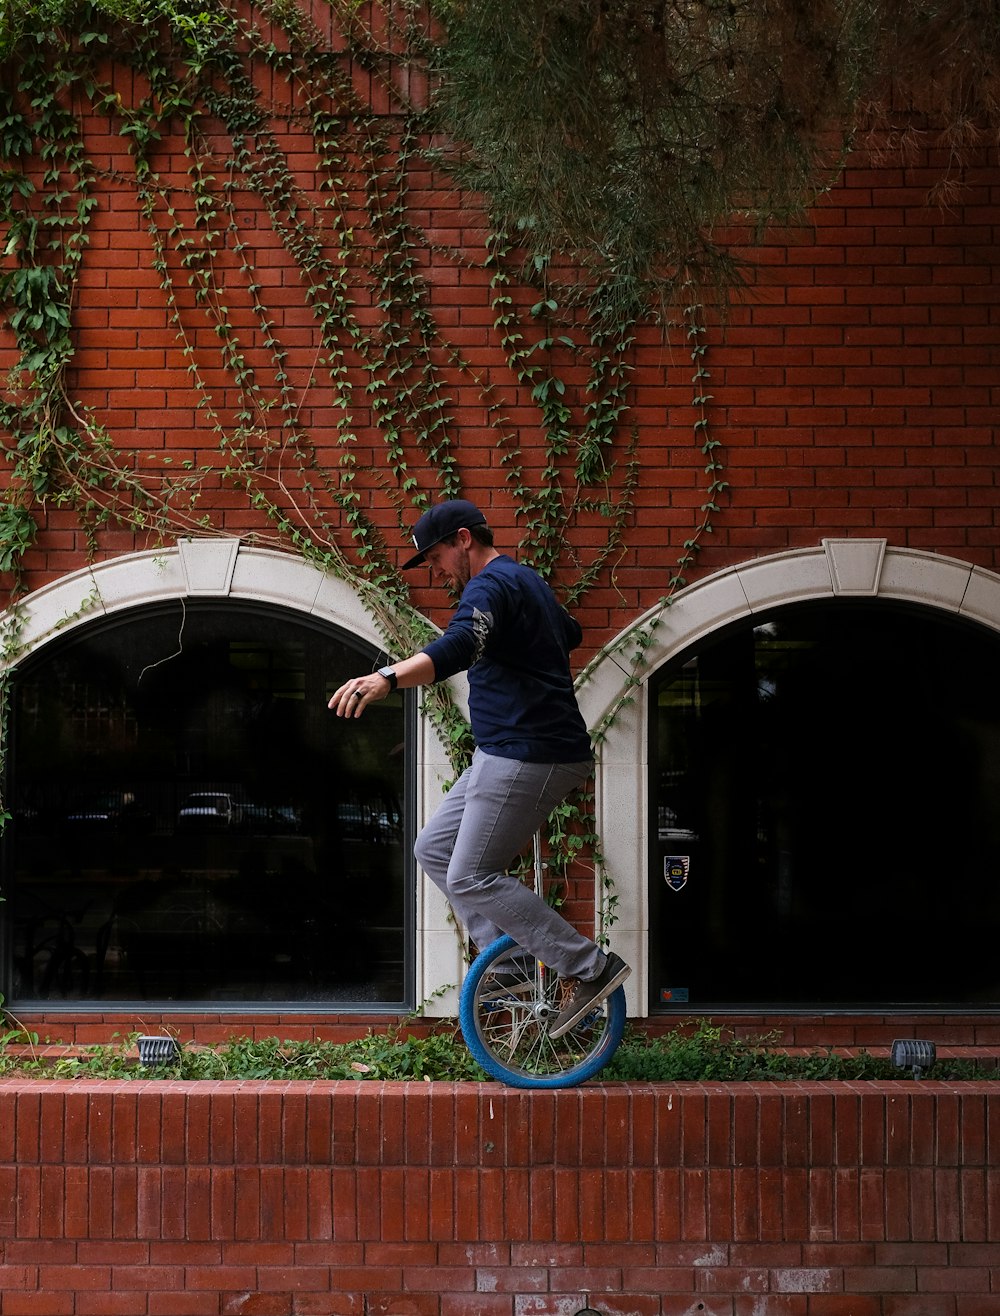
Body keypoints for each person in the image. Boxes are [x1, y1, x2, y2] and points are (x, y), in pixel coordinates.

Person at [328, 498, 630, 1038]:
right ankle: (510, 967)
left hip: (528, 753)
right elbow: (570, 631)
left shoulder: (490, 587)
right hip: (504, 751)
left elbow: (463, 642)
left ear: (463, 539)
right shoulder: (525, 581)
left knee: (469, 872)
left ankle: (589, 967)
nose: (439, 571)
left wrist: (389, 679)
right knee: (434, 850)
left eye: (438, 557)